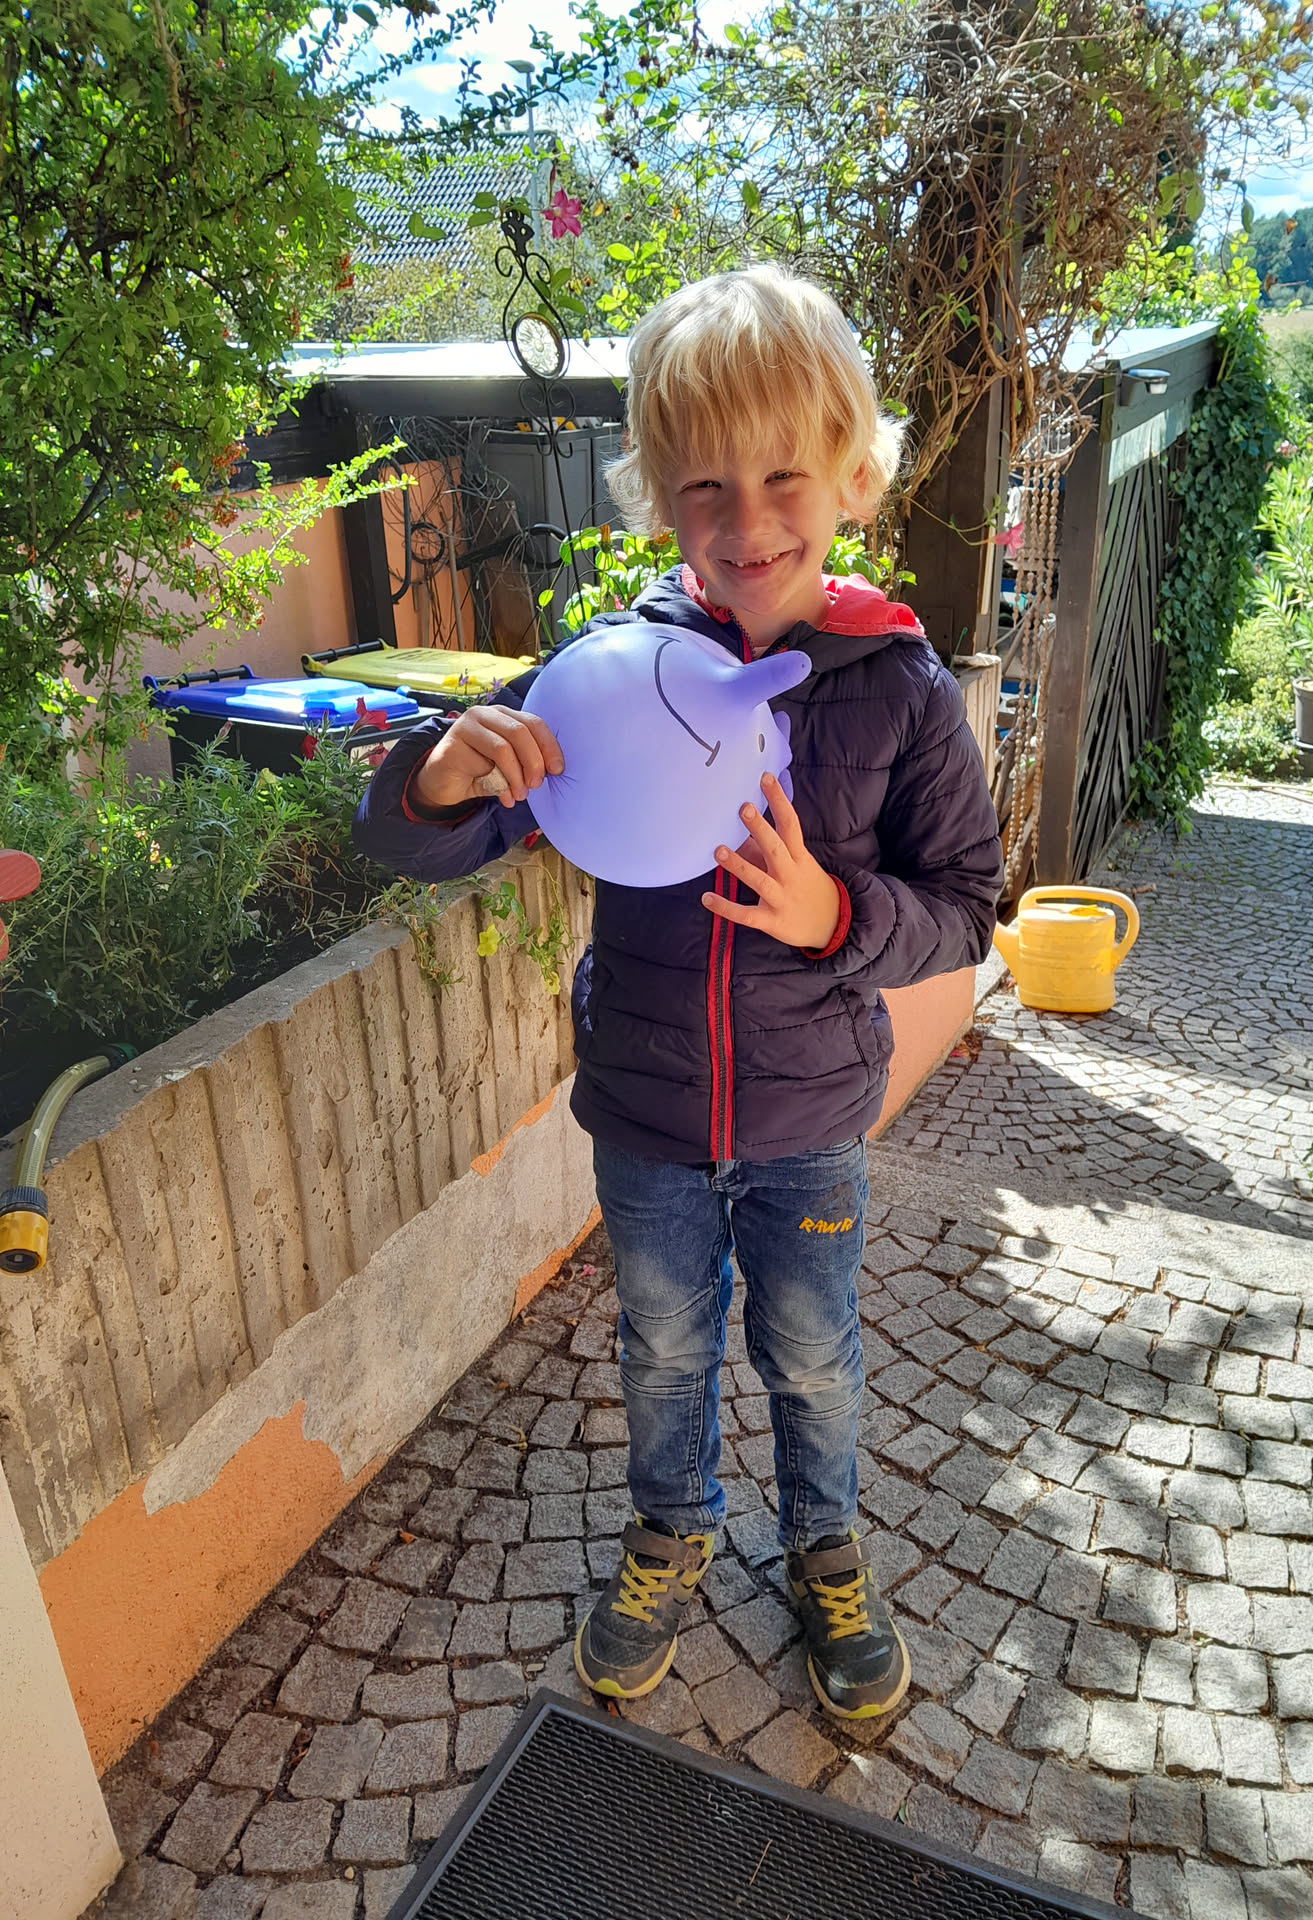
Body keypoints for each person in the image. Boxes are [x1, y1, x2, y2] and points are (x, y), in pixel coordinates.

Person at [353, 264, 1003, 1721]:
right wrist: (443, 777)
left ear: (851, 473)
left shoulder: (897, 686)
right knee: (660, 1349)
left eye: (784, 476)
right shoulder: (608, 673)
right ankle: (672, 1527)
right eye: (706, 483)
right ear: (660, 496)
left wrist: (835, 917)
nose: (747, 519)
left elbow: (969, 907)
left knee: (812, 1355)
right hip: (645, 1114)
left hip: (809, 1120)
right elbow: (441, 836)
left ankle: (824, 1544)